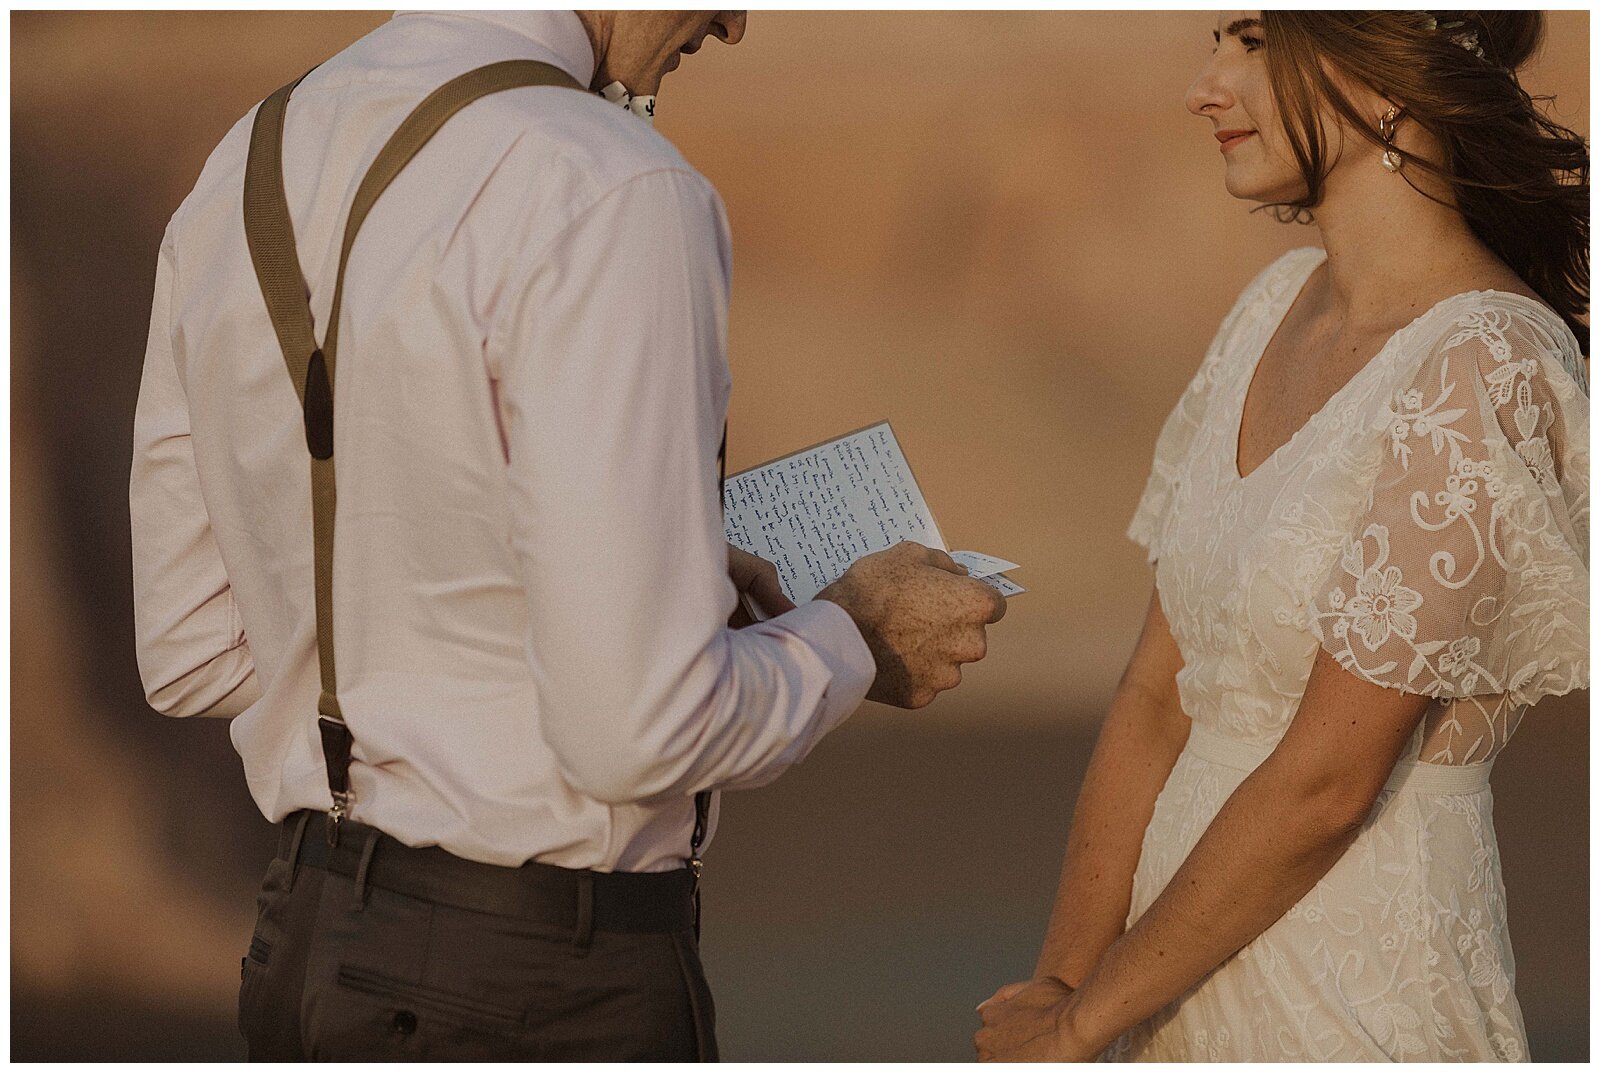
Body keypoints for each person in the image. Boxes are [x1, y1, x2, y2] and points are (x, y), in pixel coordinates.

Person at [130, 9, 1005, 1061]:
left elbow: (191, 648)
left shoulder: (248, 158)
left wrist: (561, 595)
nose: (731, 23)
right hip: (534, 985)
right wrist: (855, 632)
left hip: (300, 951)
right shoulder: (609, 183)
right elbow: (639, 732)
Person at [977, 9, 1587, 1062]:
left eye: (1255, 41)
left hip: (1355, 995)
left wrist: (1082, 1016)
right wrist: (1065, 984)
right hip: (1165, 990)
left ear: (1387, 74)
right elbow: (1156, 692)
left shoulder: (1485, 362)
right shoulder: (1268, 312)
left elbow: (1326, 778)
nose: (1204, 87)